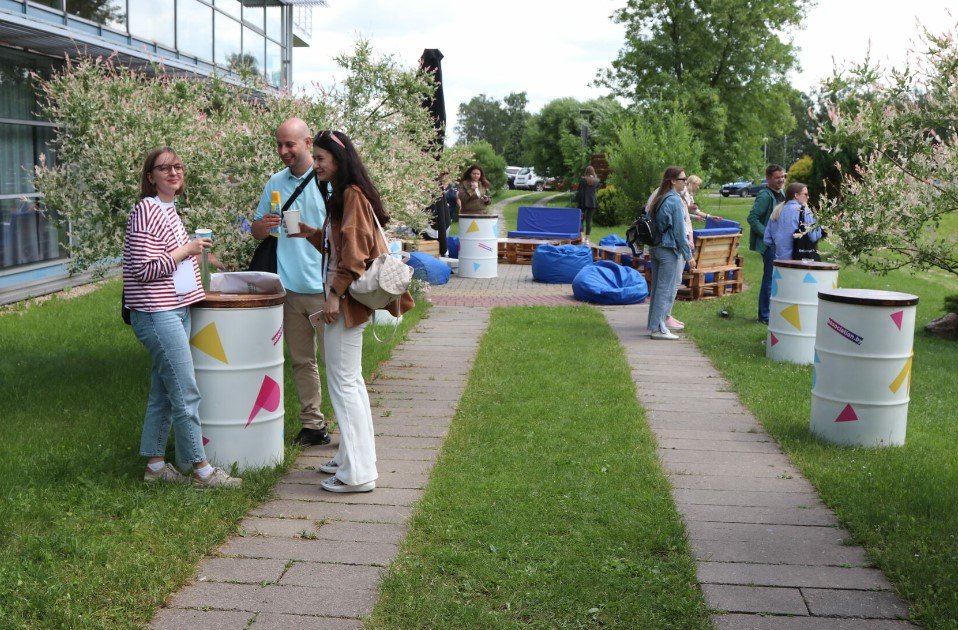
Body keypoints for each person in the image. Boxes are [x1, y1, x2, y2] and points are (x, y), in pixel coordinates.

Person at [295, 130, 415, 493]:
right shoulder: (346, 195)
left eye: (320, 159)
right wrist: (310, 233)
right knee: (350, 382)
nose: (315, 165)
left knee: (345, 384)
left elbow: (354, 256)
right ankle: (350, 459)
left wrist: (333, 295)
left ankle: (358, 474)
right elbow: (341, 247)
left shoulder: (351, 195)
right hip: (345, 300)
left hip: (345, 303)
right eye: (314, 158)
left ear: (338, 158)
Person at [123, 147, 241, 488]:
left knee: (163, 392)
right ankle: (201, 470)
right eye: (164, 168)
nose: (174, 172)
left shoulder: (169, 210)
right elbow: (144, 269)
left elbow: (170, 260)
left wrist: (201, 256)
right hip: (156, 313)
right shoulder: (146, 209)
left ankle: (156, 468)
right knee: (186, 391)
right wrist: (185, 250)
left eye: (178, 167)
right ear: (151, 177)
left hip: (175, 309)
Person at [251, 118, 331, 447]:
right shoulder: (275, 182)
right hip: (289, 290)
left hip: (325, 292)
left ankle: (353, 430)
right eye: (279, 144)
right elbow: (257, 233)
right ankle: (313, 425)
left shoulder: (327, 182)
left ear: (308, 143)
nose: (283, 151)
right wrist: (264, 225)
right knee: (301, 361)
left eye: (290, 144)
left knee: (336, 363)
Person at [646, 166, 695, 340]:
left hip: (656, 248)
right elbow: (680, 234)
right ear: (673, 181)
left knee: (658, 289)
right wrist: (689, 256)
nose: (686, 182)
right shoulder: (674, 200)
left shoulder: (660, 197)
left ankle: (654, 326)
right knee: (665, 290)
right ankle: (658, 329)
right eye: (683, 179)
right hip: (668, 250)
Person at [747, 164, 787, 324]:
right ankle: (764, 316)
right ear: (769, 178)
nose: (781, 180)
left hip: (780, 245)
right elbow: (752, 218)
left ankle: (774, 313)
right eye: (778, 177)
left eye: (783, 177)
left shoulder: (782, 193)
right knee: (769, 280)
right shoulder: (765, 195)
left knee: (779, 279)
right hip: (770, 246)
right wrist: (768, 235)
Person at [763, 182, 822, 259]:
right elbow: (814, 236)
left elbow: (767, 239)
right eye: (805, 194)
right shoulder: (804, 211)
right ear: (796, 195)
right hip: (799, 260)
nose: (808, 197)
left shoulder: (777, 211)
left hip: (779, 261)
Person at [575, 165, 601, 244]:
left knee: (581, 219)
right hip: (592, 203)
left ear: (586, 171)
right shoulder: (597, 181)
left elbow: (578, 190)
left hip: (583, 202)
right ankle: (587, 239)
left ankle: (581, 237)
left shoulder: (582, 180)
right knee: (589, 220)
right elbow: (596, 189)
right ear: (593, 172)